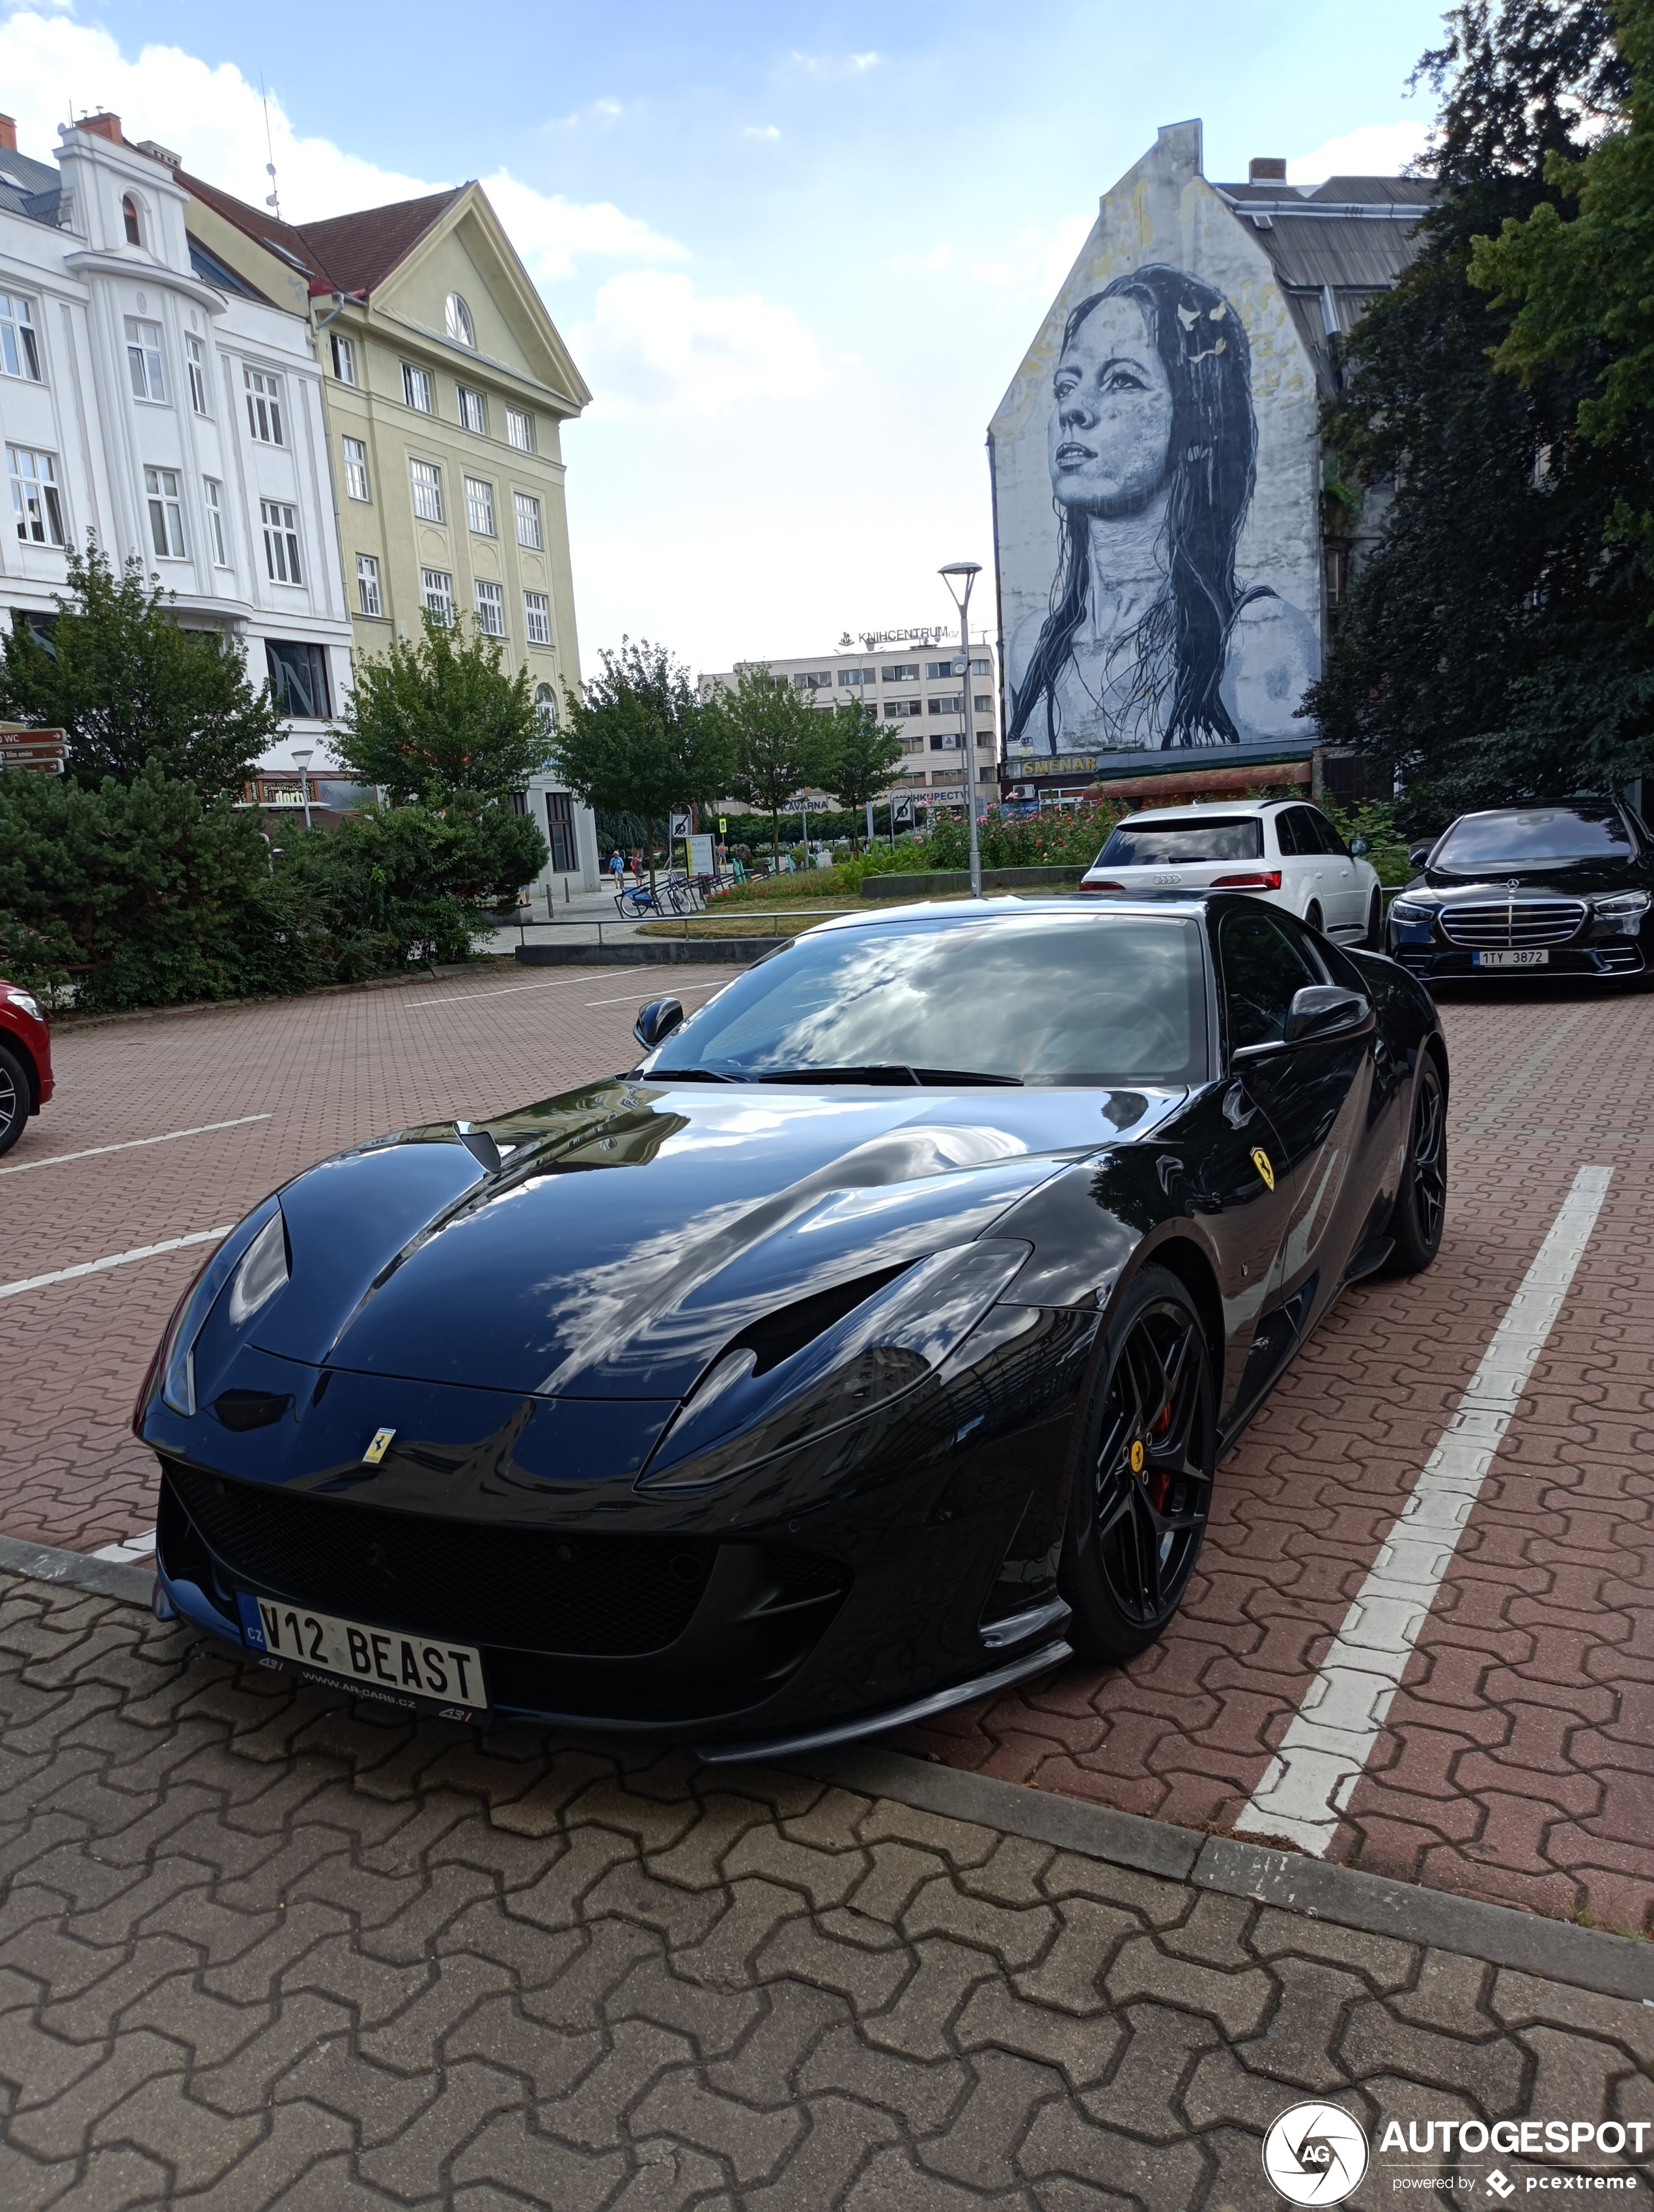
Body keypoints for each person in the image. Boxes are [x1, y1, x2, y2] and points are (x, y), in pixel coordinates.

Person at [1007, 264, 1317, 756]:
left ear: (1197, 427)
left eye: (1123, 381)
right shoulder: (1032, 651)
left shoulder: (1259, 639)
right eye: (1066, 385)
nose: (1074, 410)